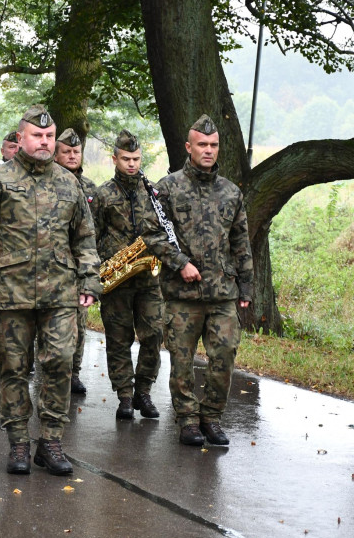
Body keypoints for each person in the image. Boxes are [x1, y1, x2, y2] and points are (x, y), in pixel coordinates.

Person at [0, 105, 101, 475]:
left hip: (60, 292)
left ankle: (50, 442)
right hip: (10, 292)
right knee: (14, 367)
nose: (45, 142)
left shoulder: (70, 183)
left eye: (50, 136)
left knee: (59, 363)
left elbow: (84, 237)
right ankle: (19, 443)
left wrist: (89, 280)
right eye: (37, 136)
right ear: (20, 137)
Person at [155, 114, 253, 447]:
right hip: (182, 293)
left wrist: (246, 287)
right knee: (181, 361)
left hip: (222, 291)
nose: (208, 151)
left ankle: (211, 416)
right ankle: (187, 419)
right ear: (188, 147)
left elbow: (241, 241)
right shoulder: (167, 188)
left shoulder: (231, 192)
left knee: (224, 354)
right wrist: (179, 262)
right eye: (202, 145)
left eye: (213, 145)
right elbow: (152, 234)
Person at [92, 129, 178, 420]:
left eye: (136, 158)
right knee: (118, 339)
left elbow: (165, 231)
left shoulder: (153, 193)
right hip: (116, 277)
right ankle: (125, 396)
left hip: (148, 277)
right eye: (126, 158)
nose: (132, 164)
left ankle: (144, 391)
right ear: (114, 158)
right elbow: (91, 236)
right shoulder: (103, 195)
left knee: (154, 334)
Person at [53, 127, 97, 395]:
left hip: (80, 266)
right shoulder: (50, 181)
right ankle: (53, 372)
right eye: (66, 151)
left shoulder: (91, 188)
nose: (71, 156)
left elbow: (95, 229)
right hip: (54, 265)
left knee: (79, 325)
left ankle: (74, 373)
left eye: (76, 151)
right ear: (56, 155)